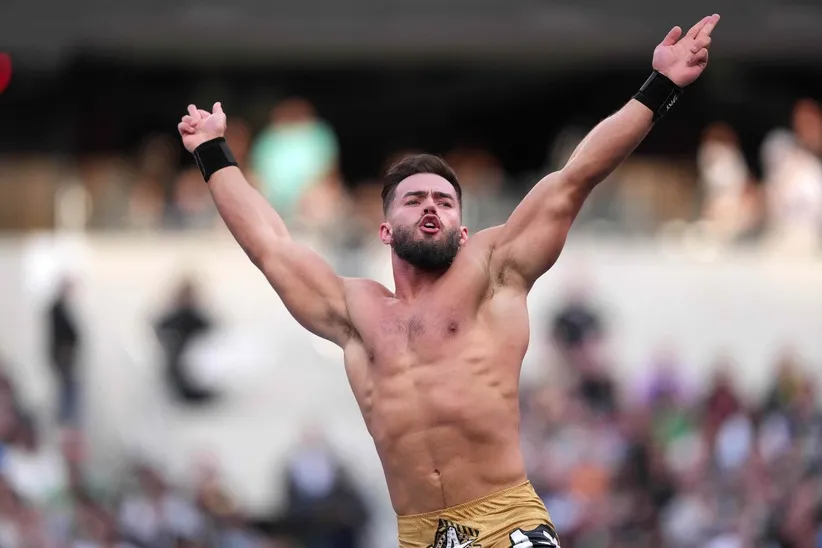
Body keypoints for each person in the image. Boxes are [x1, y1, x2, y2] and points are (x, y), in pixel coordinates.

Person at [177, 15, 720, 548]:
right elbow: (270, 246)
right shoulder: (356, 311)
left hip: (507, 523)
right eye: (415, 200)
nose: (431, 207)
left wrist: (660, 86)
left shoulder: (493, 272)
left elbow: (574, 179)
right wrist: (211, 151)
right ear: (386, 230)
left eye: (444, 201)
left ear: (463, 230)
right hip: (420, 536)